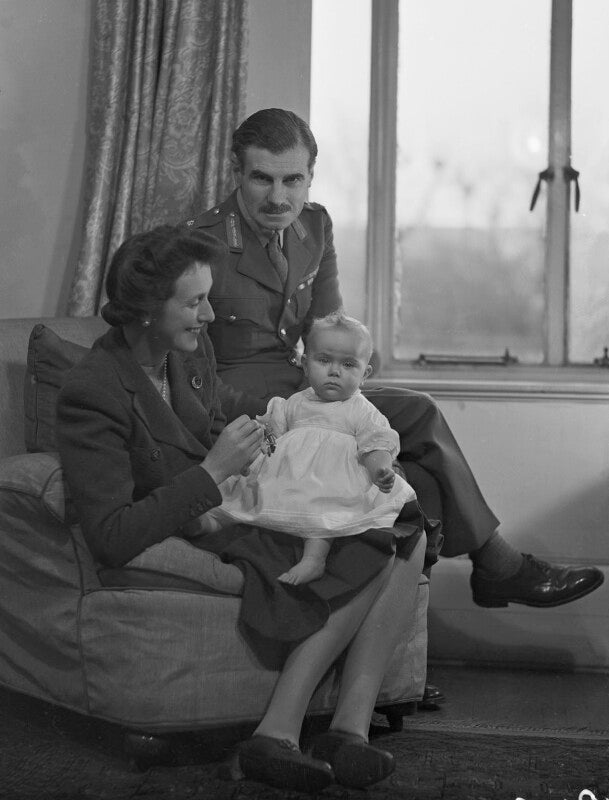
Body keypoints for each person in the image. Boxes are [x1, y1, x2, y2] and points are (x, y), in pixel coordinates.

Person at [183, 109, 603, 618]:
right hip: (254, 409)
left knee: (420, 464)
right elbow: (192, 375)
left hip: (315, 384)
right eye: (261, 179)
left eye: (292, 179)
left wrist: (353, 372)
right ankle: (497, 563)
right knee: (419, 422)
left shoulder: (313, 225)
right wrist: (296, 412)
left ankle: (439, 603)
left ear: (310, 175)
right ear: (235, 172)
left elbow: (328, 326)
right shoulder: (199, 243)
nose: (278, 197)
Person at [56, 224, 428, 792]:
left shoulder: (189, 352)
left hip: (237, 498)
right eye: (195, 303)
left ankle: (348, 731)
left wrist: (296, 459)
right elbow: (110, 533)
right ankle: (278, 731)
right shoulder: (94, 390)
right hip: (196, 519)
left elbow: (212, 430)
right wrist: (213, 473)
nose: (209, 316)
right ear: (148, 309)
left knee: (404, 521)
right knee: (379, 538)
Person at [200, 311, 419, 585]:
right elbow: (271, 435)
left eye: (348, 364)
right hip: (288, 475)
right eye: (324, 361)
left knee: (322, 509)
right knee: (246, 491)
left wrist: (380, 471)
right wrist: (254, 454)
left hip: (332, 482)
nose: (335, 371)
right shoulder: (293, 403)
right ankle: (214, 521)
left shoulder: (361, 410)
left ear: (365, 374)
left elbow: (375, 443)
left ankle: (314, 558)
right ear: (305, 364)